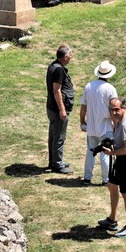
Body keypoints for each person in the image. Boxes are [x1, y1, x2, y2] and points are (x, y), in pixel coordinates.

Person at [98, 97, 126, 238]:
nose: (114, 112)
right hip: (121, 158)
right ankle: (112, 219)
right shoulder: (119, 121)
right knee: (111, 185)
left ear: (124, 109)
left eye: (117, 109)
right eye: (112, 109)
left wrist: (111, 153)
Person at [79, 60, 118, 186]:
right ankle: (105, 179)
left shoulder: (89, 86)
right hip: (106, 126)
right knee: (105, 153)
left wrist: (82, 121)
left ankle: (87, 177)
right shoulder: (110, 89)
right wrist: (116, 124)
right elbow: (114, 109)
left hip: (92, 125)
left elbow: (83, 106)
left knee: (90, 151)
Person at [46, 45, 75, 174]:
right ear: (65, 56)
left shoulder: (53, 66)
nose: (71, 57)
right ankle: (57, 164)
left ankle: (54, 161)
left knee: (53, 136)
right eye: (70, 54)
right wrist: (62, 109)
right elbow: (57, 90)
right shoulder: (58, 70)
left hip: (52, 107)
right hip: (57, 109)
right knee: (59, 137)